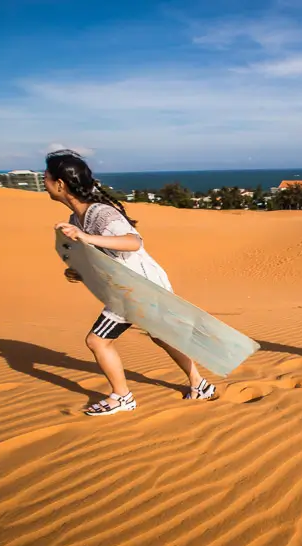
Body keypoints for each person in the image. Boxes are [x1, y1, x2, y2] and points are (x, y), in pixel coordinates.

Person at [44, 149, 216, 416]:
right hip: (131, 284)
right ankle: (200, 384)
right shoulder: (76, 219)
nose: (43, 182)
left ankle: (122, 397)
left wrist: (86, 238)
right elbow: (98, 256)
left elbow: (132, 242)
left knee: (97, 341)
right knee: (162, 335)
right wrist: (79, 271)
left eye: (45, 177)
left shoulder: (100, 214)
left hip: (138, 287)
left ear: (60, 184)